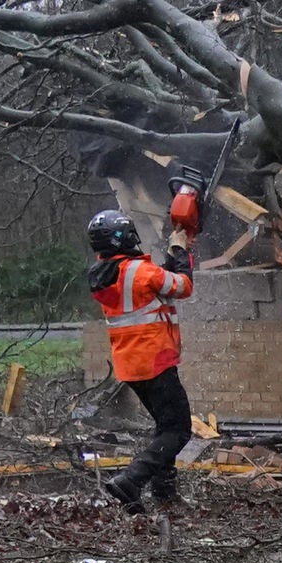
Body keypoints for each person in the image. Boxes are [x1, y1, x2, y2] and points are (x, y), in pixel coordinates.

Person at [89, 204, 196, 515]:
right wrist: (180, 254)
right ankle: (131, 480)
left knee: (165, 425)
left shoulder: (104, 275)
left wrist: (170, 260)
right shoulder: (142, 272)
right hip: (155, 360)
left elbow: (148, 289)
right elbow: (183, 286)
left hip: (131, 365)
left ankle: (164, 490)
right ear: (125, 238)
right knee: (178, 429)